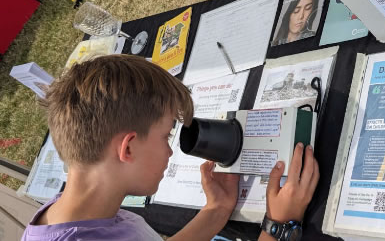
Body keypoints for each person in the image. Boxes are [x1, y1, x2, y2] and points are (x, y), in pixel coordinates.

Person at [22, 55, 319, 241]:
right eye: (166, 136)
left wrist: (216, 210)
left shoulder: (70, 211)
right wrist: (279, 226)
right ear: (128, 148)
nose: (169, 151)